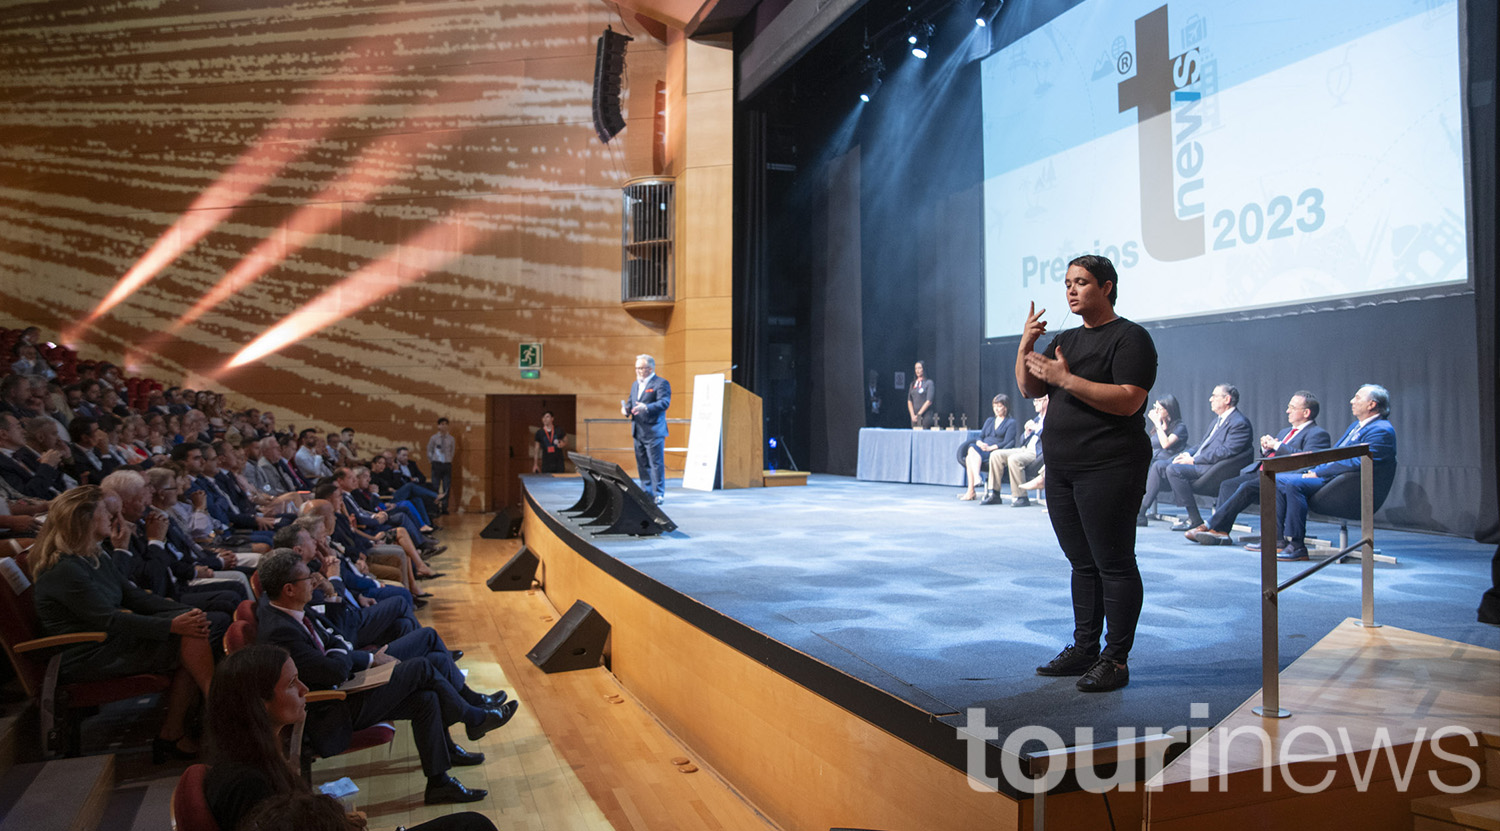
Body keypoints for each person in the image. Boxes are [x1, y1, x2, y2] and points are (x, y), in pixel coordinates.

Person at [255, 550, 517, 805]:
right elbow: (334, 665)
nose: (313, 579)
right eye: (306, 577)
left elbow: (339, 639)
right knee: (421, 668)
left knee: (426, 694)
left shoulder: (292, 609)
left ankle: (439, 782)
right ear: (289, 589)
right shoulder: (280, 630)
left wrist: (343, 651)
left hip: (348, 682)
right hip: (331, 708)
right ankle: (473, 717)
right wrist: (345, 653)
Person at [1017, 254, 1156, 693]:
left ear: (1107, 287)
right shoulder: (1067, 339)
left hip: (1111, 466)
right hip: (1063, 468)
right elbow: (1030, 388)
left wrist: (1067, 379)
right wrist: (1025, 346)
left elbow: (1130, 399)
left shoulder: (1130, 338)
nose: (1071, 290)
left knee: (1113, 563)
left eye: (1081, 282)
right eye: (1067, 283)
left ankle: (1115, 660)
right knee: (1082, 563)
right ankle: (1084, 648)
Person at [203, 645, 497, 831]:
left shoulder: (255, 753)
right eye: (293, 684)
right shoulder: (246, 783)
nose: (305, 689)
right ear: (259, 703)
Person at [28, 486, 215, 763]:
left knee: (192, 630)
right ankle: (213, 711)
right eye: (106, 512)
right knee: (188, 636)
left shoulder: (93, 554)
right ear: (85, 519)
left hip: (107, 640)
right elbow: (109, 618)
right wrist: (173, 626)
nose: (115, 519)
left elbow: (133, 596)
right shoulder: (63, 569)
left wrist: (185, 612)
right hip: (85, 653)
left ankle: (184, 727)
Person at [1266, 384, 1397, 561]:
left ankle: (1297, 545)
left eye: (1357, 398)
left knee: (1292, 483)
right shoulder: (1355, 426)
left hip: (1349, 486)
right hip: (1334, 479)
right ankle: (1278, 539)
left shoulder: (1381, 430)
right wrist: (1316, 470)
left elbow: (1357, 461)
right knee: (1277, 479)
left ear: (1372, 404)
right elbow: (1335, 455)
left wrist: (1320, 473)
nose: (1352, 401)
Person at [1186, 391, 1332, 545]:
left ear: (1306, 412)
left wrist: (1277, 445)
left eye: (1292, 407)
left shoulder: (1318, 434)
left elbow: (1308, 460)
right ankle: (1221, 531)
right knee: (1228, 484)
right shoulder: (1285, 432)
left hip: (1283, 477)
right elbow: (1276, 453)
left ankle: (1209, 525)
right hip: (1263, 472)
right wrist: (1267, 449)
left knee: (1247, 487)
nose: (1287, 411)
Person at [1138, 384, 1252, 528]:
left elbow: (1225, 451)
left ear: (1227, 399)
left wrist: (1194, 459)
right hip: (1202, 463)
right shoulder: (1218, 420)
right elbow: (1202, 445)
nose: (1210, 399)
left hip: (1213, 469)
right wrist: (1187, 454)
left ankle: (1194, 518)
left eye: (1214, 396)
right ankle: (1141, 513)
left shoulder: (1239, 423)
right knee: (1159, 465)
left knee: (1174, 469)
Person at [981, 395, 1047, 505]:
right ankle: (994, 493)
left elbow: (1052, 436)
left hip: (1036, 452)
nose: (1034, 403)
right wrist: (1027, 432)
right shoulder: (1037, 418)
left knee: (1014, 459)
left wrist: (1038, 429)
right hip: (1024, 449)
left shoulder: (1050, 418)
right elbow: (1022, 440)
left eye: (1037, 401)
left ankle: (1020, 496)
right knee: (996, 455)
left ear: (1046, 401)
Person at [623, 353, 670, 504]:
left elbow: (664, 403)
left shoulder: (661, 383)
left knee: (655, 463)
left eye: (641, 368)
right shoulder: (635, 384)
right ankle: (646, 491)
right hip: (638, 430)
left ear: (649, 369)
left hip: (654, 430)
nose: (638, 371)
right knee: (642, 463)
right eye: (636, 368)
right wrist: (626, 410)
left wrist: (647, 407)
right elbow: (631, 403)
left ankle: (658, 493)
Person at [957, 395, 1020, 501]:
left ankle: (971, 491)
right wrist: (980, 443)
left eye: (999, 406)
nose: (996, 409)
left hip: (996, 451)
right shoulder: (990, 420)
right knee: (972, 448)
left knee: (969, 456)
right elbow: (981, 436)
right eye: (994, 406)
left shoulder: (1011, 422)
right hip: (982, 448)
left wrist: (991, 448)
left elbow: (1008, 442)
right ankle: (976, 479)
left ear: (1005, 407)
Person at [1147, 395, 1187, 465]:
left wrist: (1157, 423)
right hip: (1153, 460)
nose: (1156, 411)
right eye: (1155, 407)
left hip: (1166, 463)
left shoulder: (1180, 427)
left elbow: (1166, 444)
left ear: (1168, 410)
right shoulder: (1159, 426)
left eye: (1159, 409)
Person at [426, 417, 455, 512]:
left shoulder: (451, 439)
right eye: (442, 424)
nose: (444, 426)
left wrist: (449, 460)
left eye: (446, 424)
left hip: (446, 464)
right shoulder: (434, 438)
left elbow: (452, 451)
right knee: (435, 485)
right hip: (436, 464)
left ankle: (444, 507)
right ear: (438, 426)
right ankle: (435, 506)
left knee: (447, 485)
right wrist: (432, 461)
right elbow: (429, 450)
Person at [907, 361, 934, 429]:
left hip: (925, 416)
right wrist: (912, 415)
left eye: (919, 368)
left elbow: (929, 401)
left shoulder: (929, 383)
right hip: (914, 417)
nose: (917, 370)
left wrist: (919, 414)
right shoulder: (913, 384)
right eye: (916, 368)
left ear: (924, 369)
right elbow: (909, 400)